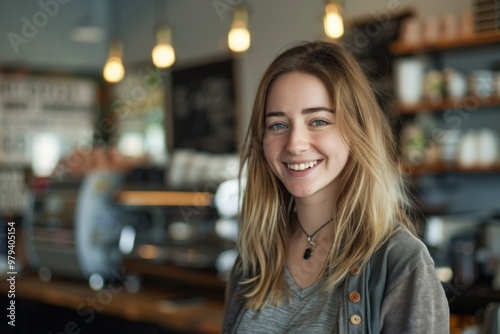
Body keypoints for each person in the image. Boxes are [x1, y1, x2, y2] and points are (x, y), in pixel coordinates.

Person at [222, 41, 450, 333]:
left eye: (318, 121)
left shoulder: (401, 263)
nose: (295, 144)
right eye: (278, 125)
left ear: (356, 130)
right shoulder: (253, 260)